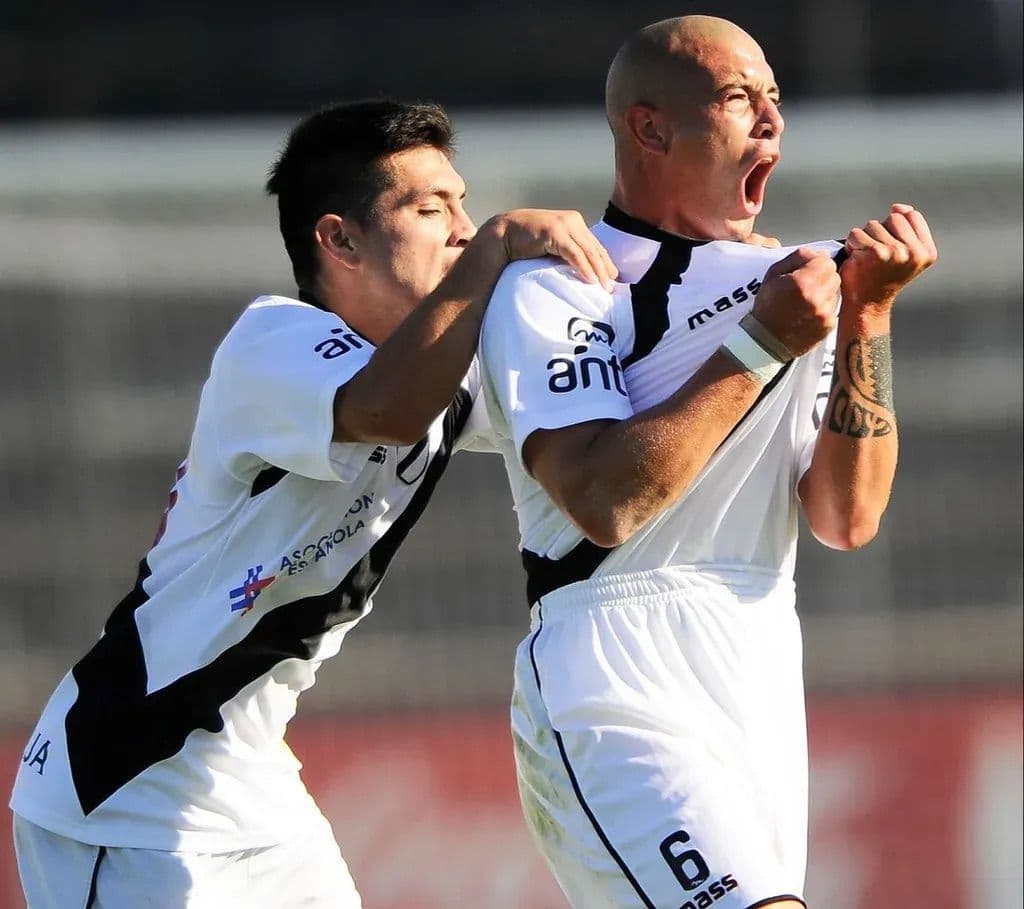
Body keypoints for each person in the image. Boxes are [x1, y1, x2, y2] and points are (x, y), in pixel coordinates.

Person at [9, 99, 617, 908]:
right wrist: (503, 245)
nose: (465, 228)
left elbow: (583, 417)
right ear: (339, 239)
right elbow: (386, 408)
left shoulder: (445, 373)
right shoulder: (271, 343)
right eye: (432, 208)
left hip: (257, 792)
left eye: (466, 206)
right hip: (126, 795)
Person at [479, 15, 937, 909]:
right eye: (738, 98)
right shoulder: (562, 285)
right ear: (650, 129)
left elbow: (846, 518)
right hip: (612, 666)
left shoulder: (800, 285)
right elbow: (606, 501)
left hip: (759, 653)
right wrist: (762, 341)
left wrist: (867, 319)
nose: (769, 119)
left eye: (775, 97)